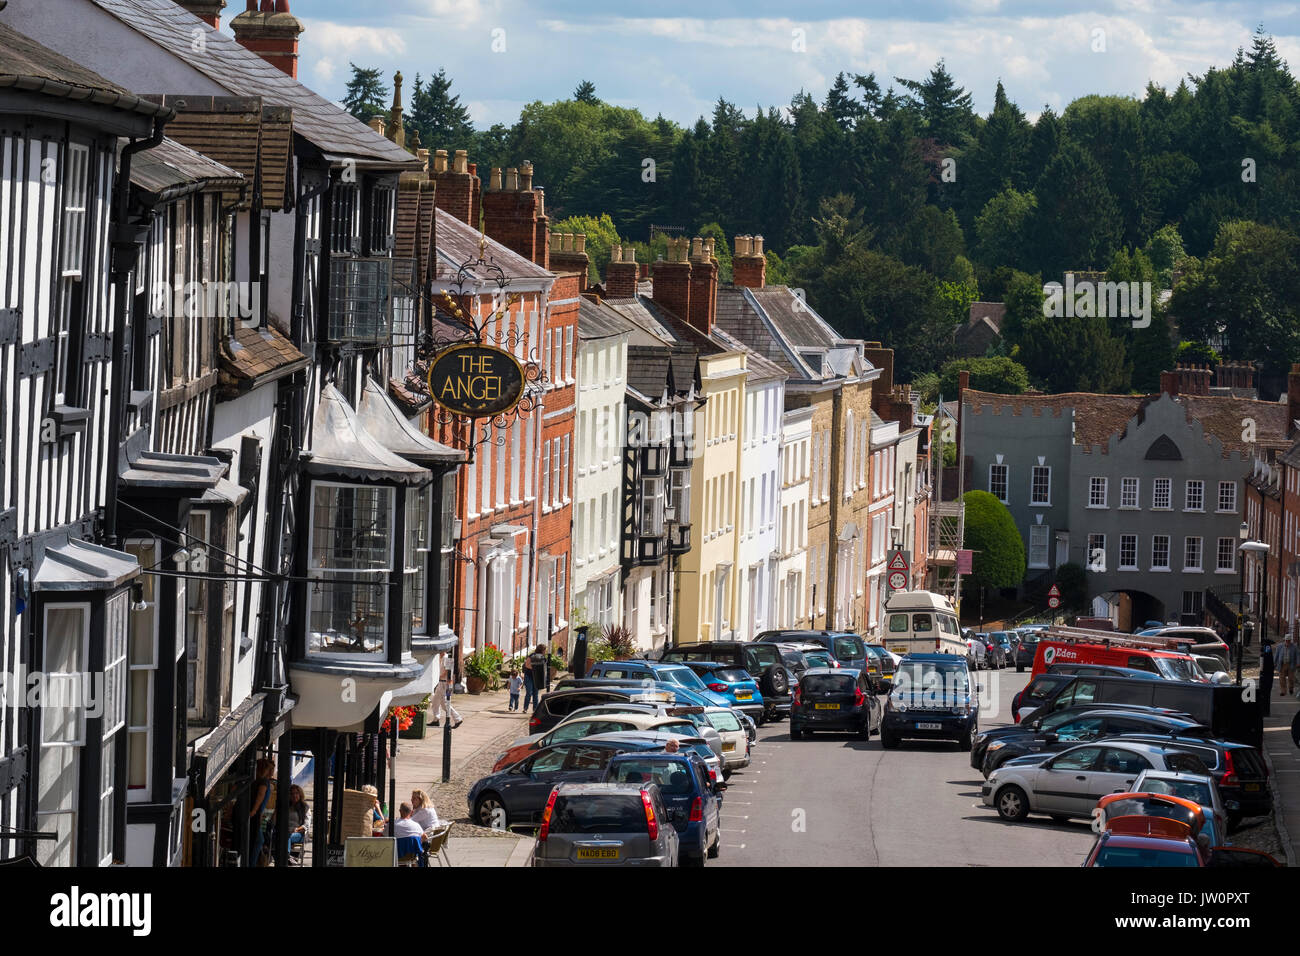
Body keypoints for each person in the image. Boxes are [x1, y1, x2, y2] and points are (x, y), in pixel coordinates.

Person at [248, 757, 275, 866]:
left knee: (256, 840)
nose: (272, 772)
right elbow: (260, 795)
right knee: (258, 840)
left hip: (256, 814)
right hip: (255, 814)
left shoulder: (257, 781)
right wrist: (254, 811)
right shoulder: (263, 782)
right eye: (270, 769)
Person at [285, 784, 310, 849]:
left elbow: (306, 825)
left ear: (300, 794)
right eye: (292, 794)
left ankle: (286, 856)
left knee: (286, 836)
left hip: (299, 833)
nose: (294, 795)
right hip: (284, 832)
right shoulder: (286, 806)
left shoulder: (305, 807)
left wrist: (296, 830)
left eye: (296, 793)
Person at [1259, 639, 1275, 716]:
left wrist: (1261, 673)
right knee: (1267, 694)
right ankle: (1266, 711)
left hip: (1266, 676)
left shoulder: (1266, 652)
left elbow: (1263, 666)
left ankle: (1265, 711)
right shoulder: (1268, 652)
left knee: (1264, 694)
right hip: (1269, 675)